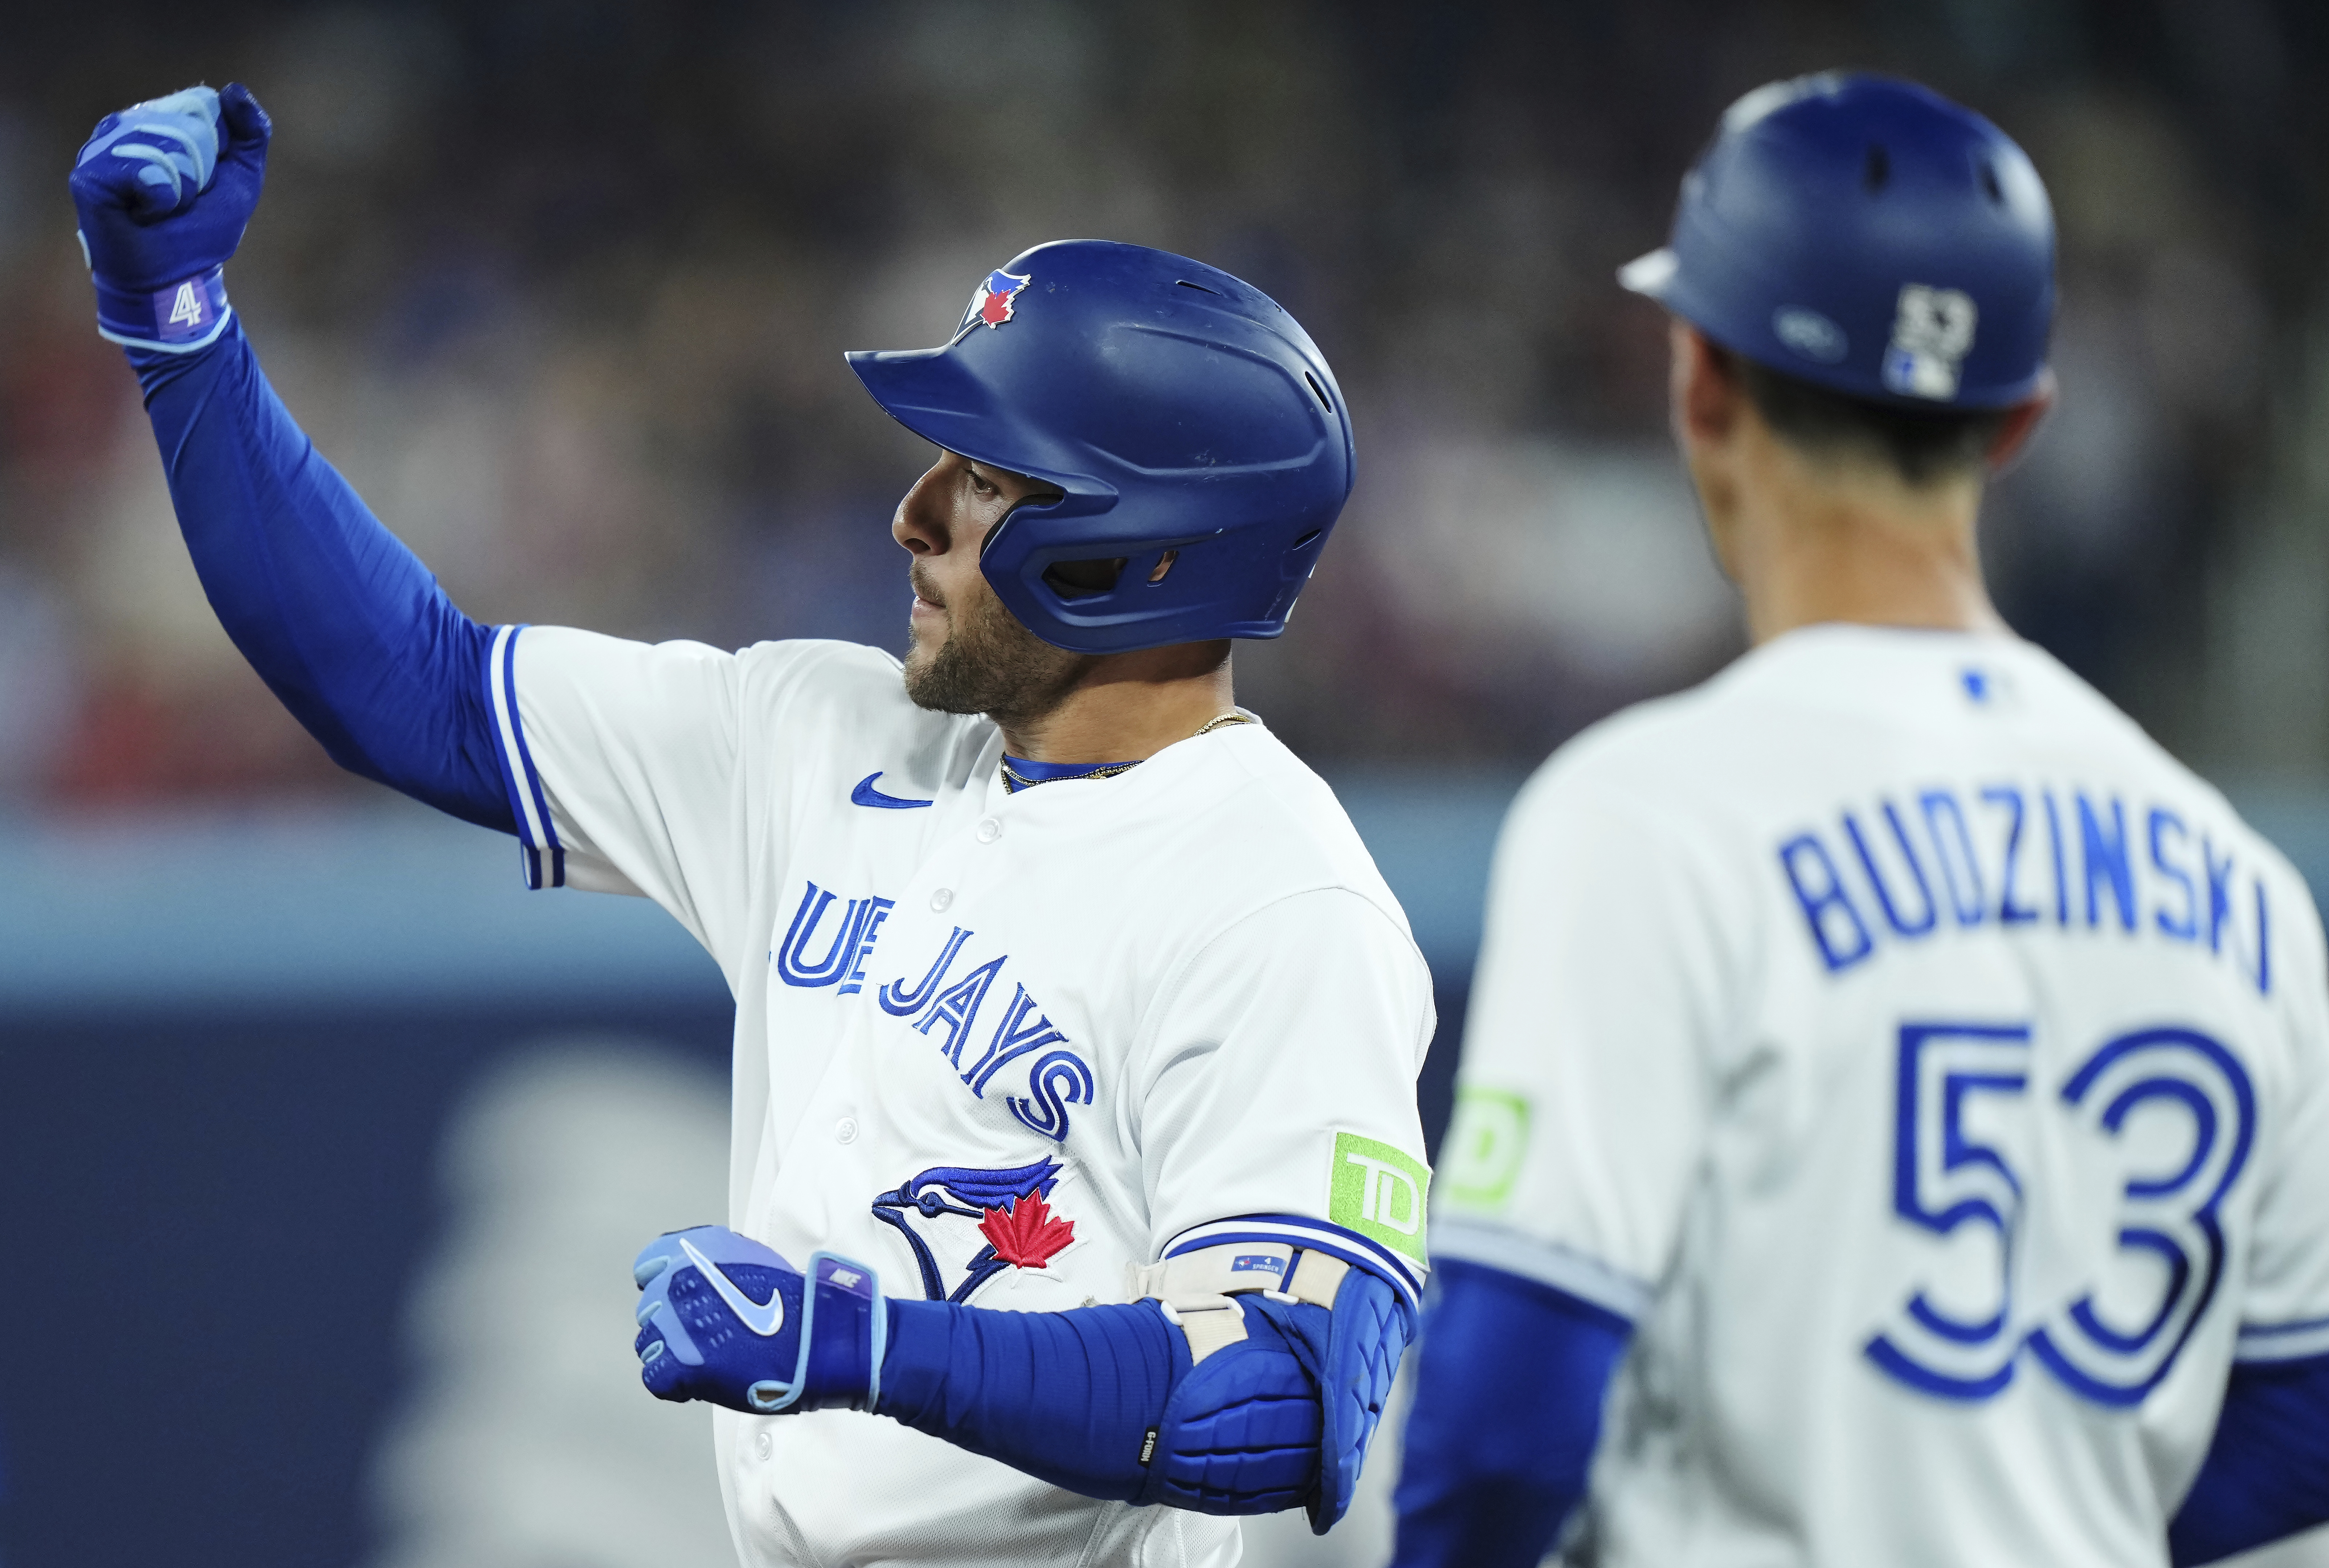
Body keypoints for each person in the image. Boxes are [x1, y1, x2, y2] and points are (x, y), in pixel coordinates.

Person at [70, 83, 1439, 1568]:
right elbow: (416, 689)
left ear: (1139, 549)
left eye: (982, 477)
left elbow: (1279, 1407)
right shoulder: (818, 734)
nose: (915, 516)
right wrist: (180, 332)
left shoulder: (1281, 902)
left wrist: (860, 1349)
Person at [1391, 71, 2329, 1568]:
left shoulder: (1650, 812)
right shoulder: (2241, 878)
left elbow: (1505, 1419)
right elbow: (2300, 1424)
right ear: (2018, 420)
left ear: (1700, 379)